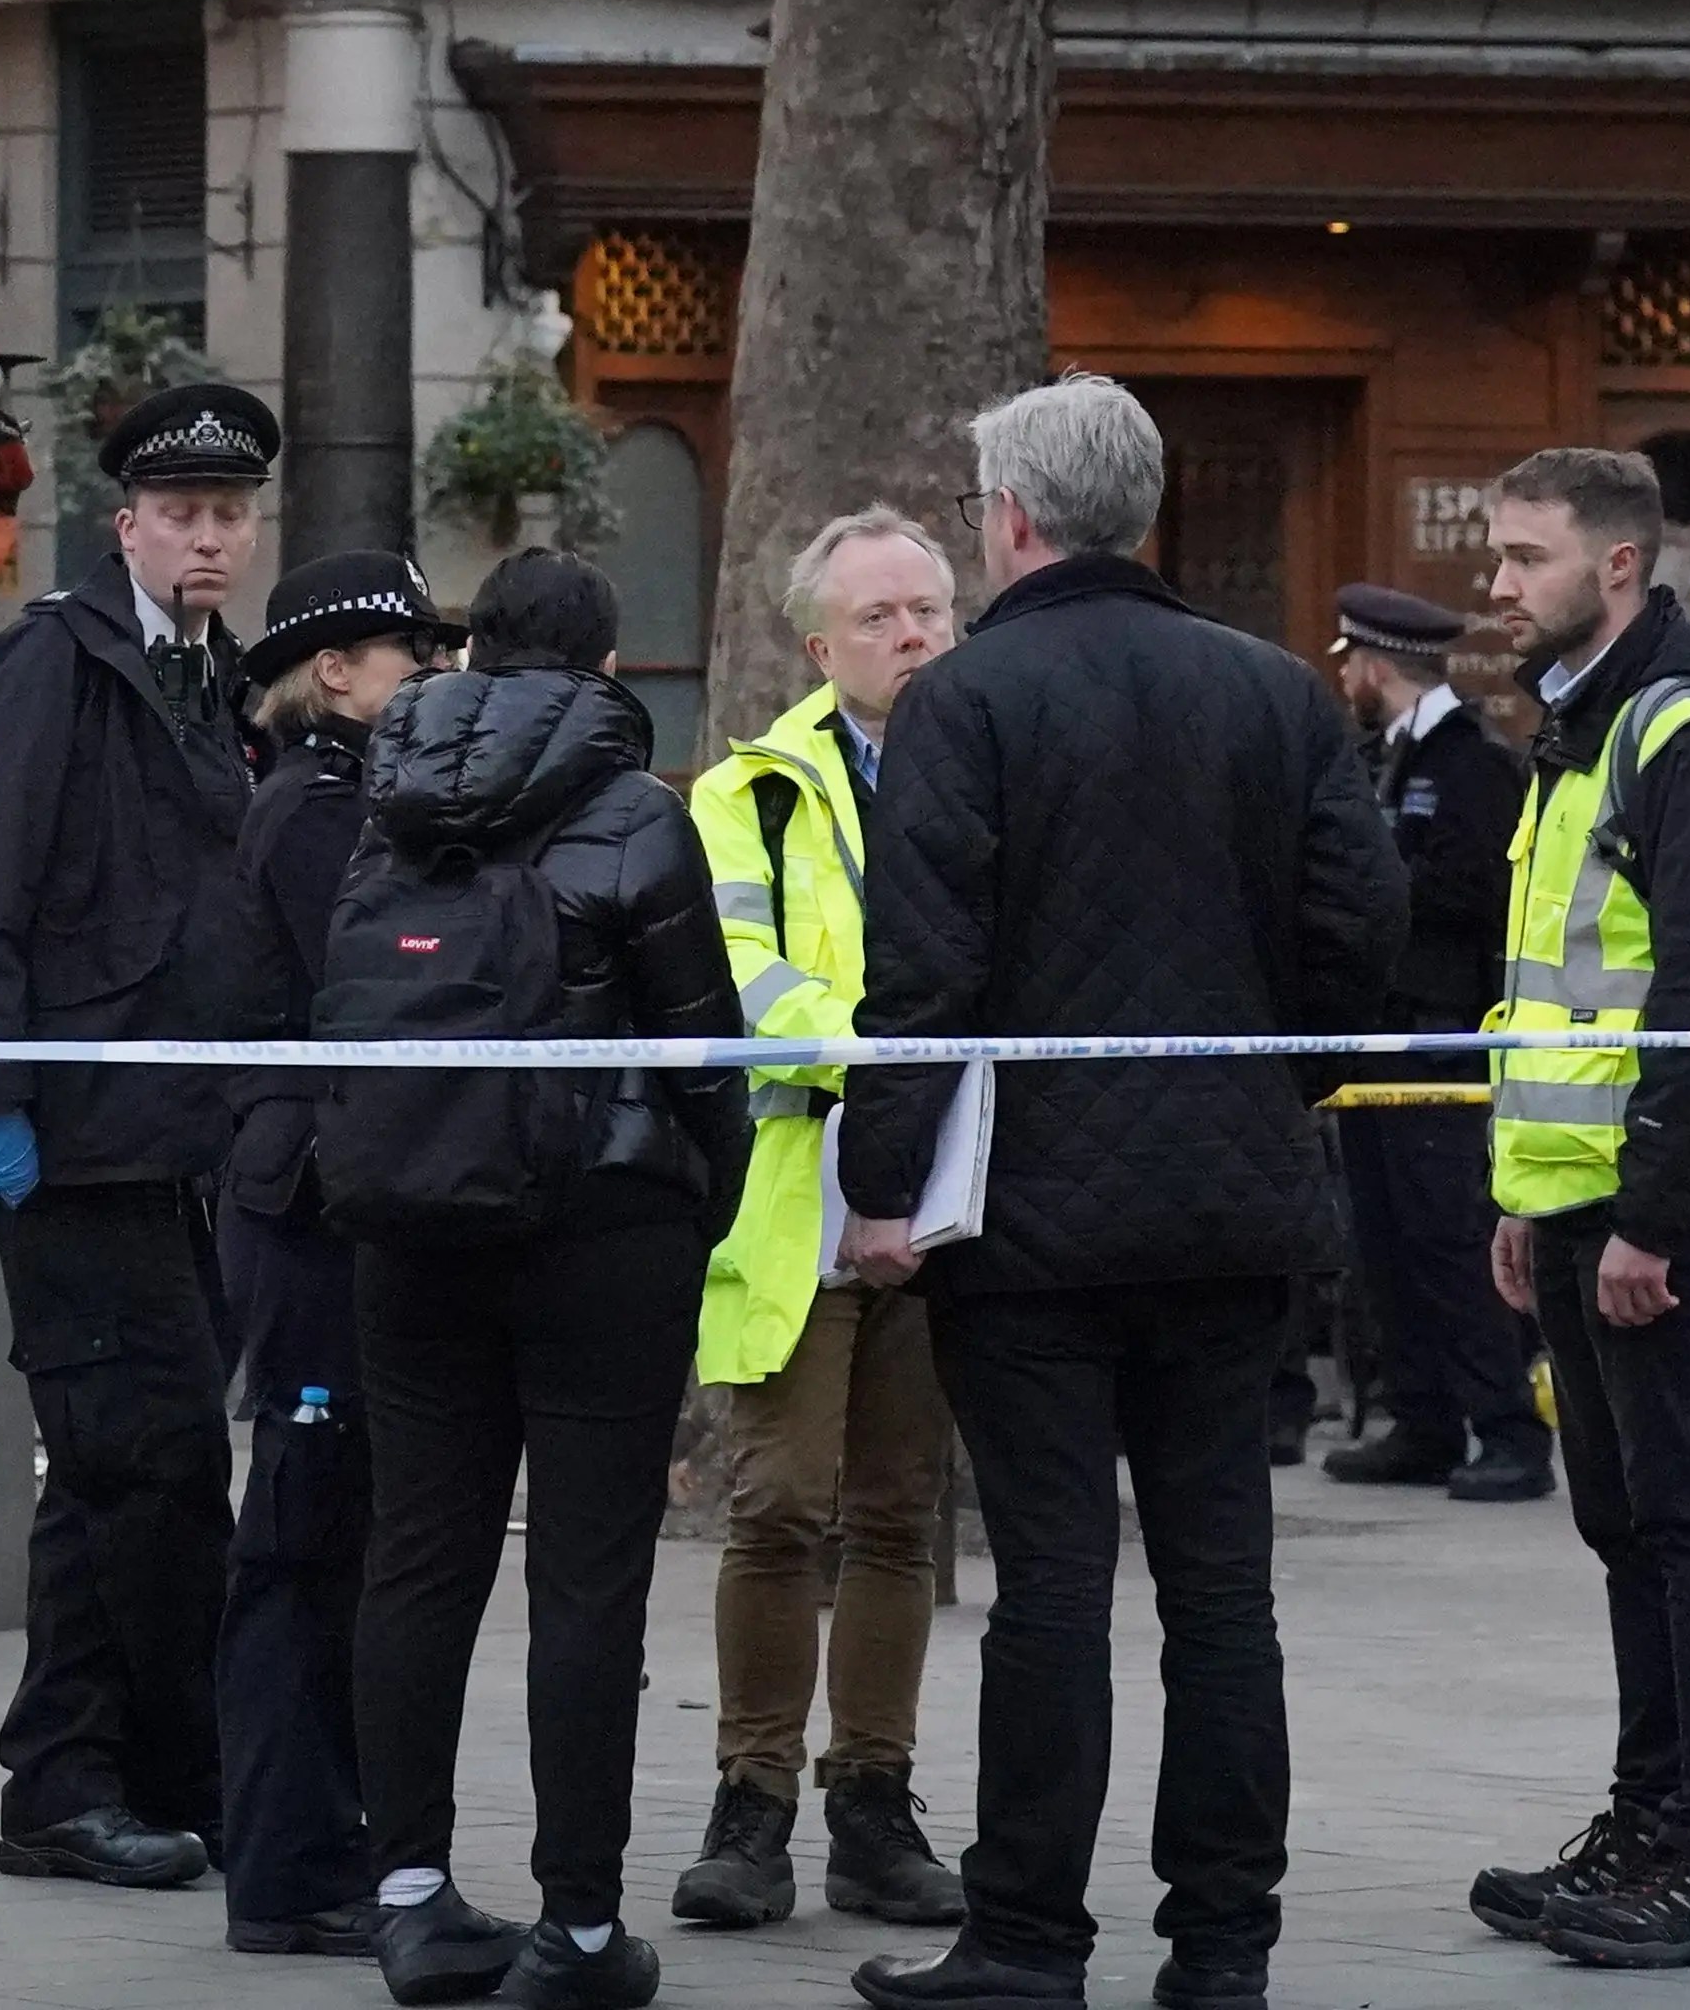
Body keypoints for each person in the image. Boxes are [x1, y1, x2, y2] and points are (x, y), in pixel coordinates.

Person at [834, 375, 1404, 2010]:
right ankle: (1223, 1948)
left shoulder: (964, 703)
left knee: (1052, 1592)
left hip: (1032, 1224)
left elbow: (923, 974)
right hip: (1232, 1214)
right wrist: (1268, 1094)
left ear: (1013, 519)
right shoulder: (1275, 692)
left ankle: (1028, 1939)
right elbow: (1361, 940)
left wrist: (881, 1184)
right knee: (1223, 1598)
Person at [324, 547, 746, 2010]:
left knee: (417, 1557)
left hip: (410, 1218)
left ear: (470, 654)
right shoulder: (637, 813)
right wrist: (703, 1205)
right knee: (586, 1576)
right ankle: (576, 1928)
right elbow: (704, 1046)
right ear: (608, 667)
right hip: (602, 1228)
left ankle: (409, 1897)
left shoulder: (386, 802)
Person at [0, 380, 282, 1894]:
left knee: (114, 1470)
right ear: (126, 525)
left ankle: (67, 1781)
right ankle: (186, 1771)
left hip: (182, 1138)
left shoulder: (221, 680)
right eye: (183, 514)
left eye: (230, 514)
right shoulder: (54, 666)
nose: (210, 538)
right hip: (78, 1138)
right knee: (159, 1462)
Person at [1458, 445, 1690, 1976]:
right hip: (1579, 1192)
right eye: (1497, 553)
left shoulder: (1687, 730)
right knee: (1625, 1524)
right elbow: (1557, 998)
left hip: (1669, 1199)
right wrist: (1525, 1195)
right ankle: (1651, 1822)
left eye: (1525, 556)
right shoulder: (1579, 725)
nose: (1498, 583)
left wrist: (1654, 1220)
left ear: (1615, 565)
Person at [668, 508, 971, 1937]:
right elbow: (739, 970)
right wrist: (885, 1057)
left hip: (954, 1187)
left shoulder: (995, 763)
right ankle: (752, 1799)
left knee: (900, 1511)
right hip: (802, 1188)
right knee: (781, 1502)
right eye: (879, 619)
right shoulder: (752, 794)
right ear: (817, 647)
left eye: (930, 611)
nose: (912, 637)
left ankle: (874, 1802)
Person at [208, 548, 462, 1960]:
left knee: (348, 1530)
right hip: (306, 1202)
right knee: (303, 1534)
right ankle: (288, 1864)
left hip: (341, 1193)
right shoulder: (314, 810)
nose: (433, 671)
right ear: (335, 671)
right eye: (412, 652)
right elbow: (372, 976)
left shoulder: (359, 797)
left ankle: (335, 1839)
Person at [1314, 582, 1550, 1507]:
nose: (1345, 684)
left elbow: (1481, 894)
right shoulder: (1383, 757)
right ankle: (1422, 1420)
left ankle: (1508, 1429)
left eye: (1351, 667)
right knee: (1384, 1241)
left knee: (1451, 1238)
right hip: (1376, 1035)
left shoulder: (1471, 763)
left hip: (1440, 1035)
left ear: (1376, 667)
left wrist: (1379, 884)